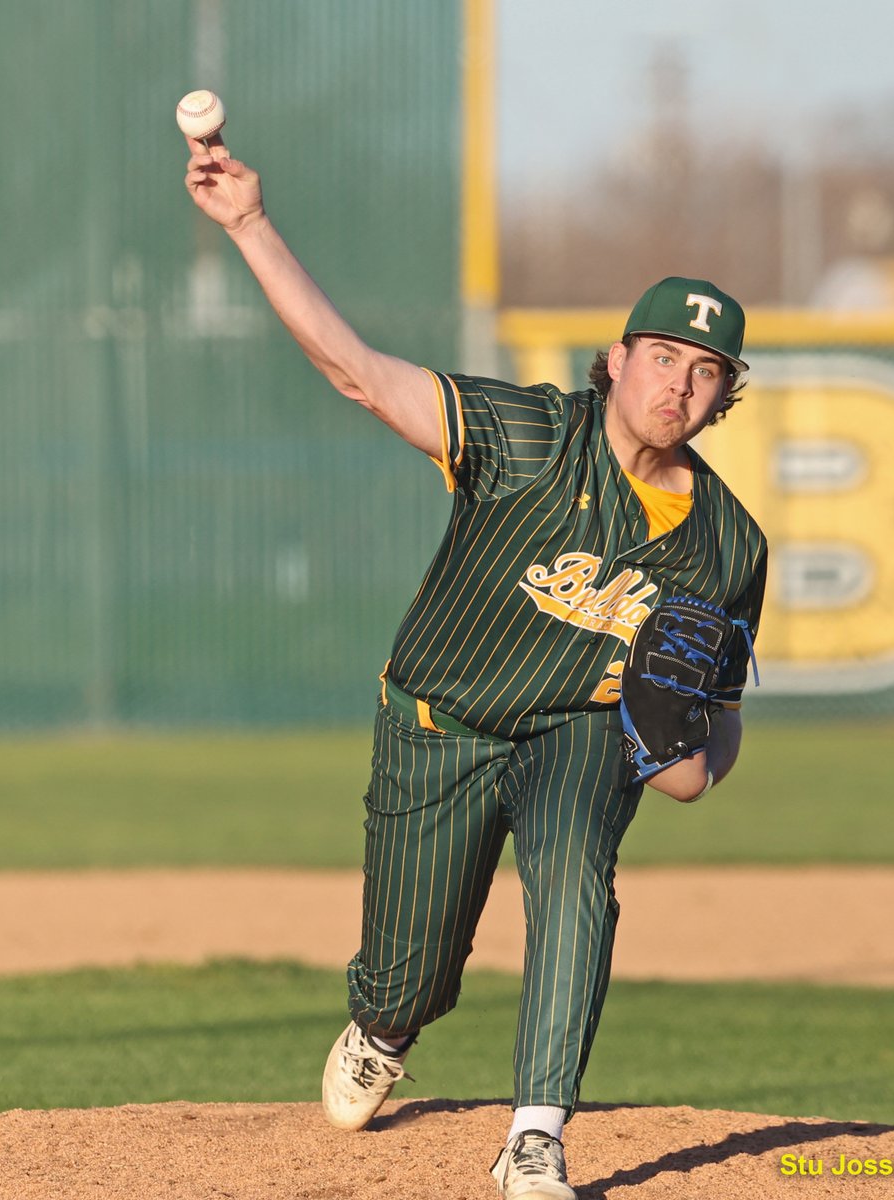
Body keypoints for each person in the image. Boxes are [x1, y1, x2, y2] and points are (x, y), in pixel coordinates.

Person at [182, 127, 767, 1200]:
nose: (679, 382)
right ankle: (385, 1022)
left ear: (722, 397)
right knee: (408, 974)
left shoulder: (731, 547)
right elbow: (358, 375)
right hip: (438, 722)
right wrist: (250, 225)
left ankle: (536, 1133)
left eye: (706, 369)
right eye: (664, 355)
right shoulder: (528, 434)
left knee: (579, 876)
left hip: (576, 736)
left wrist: (696, 756)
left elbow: (705, 734)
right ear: (618, 360)